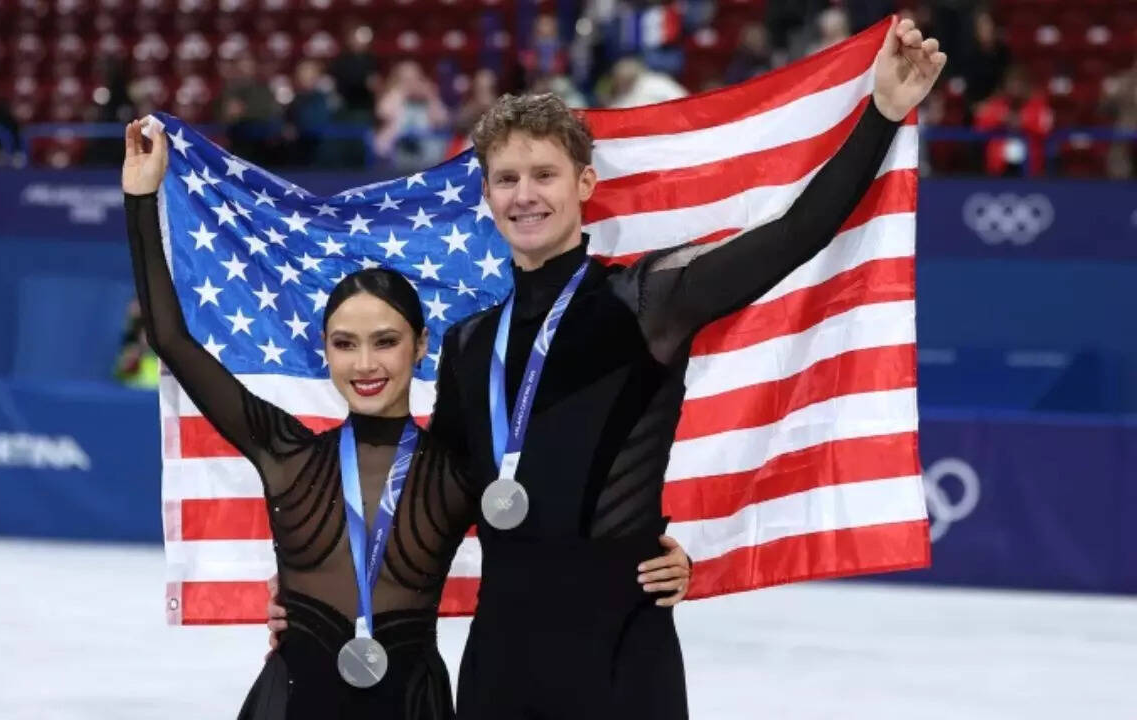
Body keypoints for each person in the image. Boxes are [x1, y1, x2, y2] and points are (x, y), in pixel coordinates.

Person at [418, 16, 941, 720]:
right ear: (486, 195)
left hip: (621, 650)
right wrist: (323, 604)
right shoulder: (469, 346)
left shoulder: (647, 301)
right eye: (506, 178)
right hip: (500, 657)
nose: (524, 194)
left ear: (585, 182)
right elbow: (430, 515)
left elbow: (794, 235)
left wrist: (880, 114)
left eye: (544, 174)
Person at [121, 120, 690, 719]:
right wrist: (141, 198)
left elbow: (557, 519)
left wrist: (650, 555)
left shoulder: (457, 471)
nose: (365, 363)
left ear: (420, 347)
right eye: (345, 343)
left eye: (385, 341)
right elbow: (170, 338)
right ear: (326, 353)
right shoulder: (285, 452)